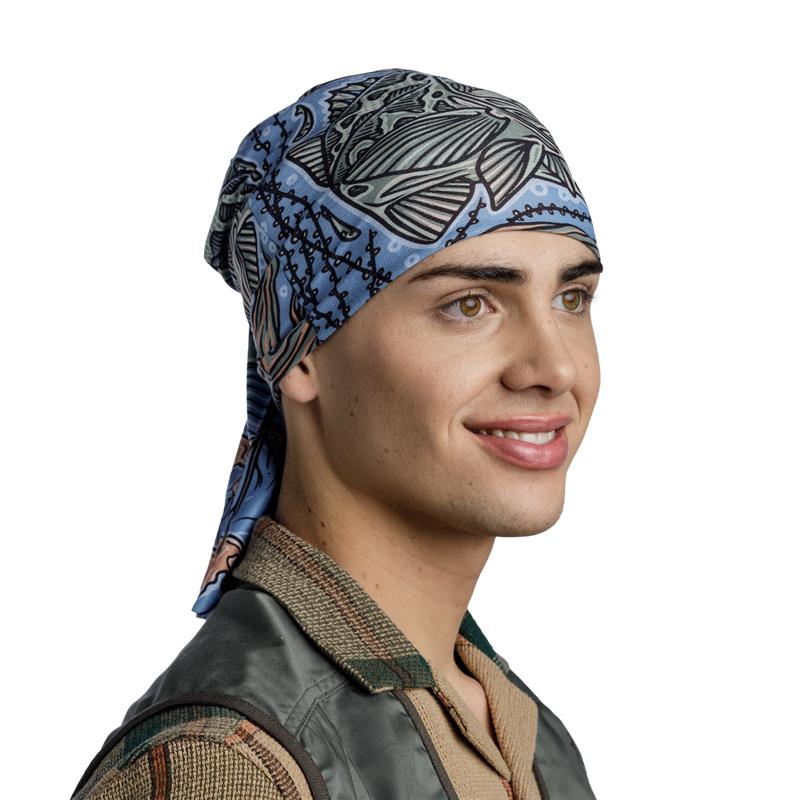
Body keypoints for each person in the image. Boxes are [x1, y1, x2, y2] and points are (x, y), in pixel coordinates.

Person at [71, 67, 603, 800]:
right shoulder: (225, 767)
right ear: (300, 346)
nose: (555, 367)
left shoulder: (524, 732)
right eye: (469, 304)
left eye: (572, 298)